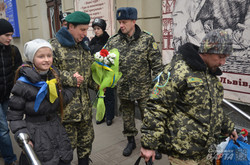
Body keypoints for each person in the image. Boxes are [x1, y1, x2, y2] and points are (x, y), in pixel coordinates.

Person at [140, 29, 238, 164]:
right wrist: (148, 144)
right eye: (221, 57)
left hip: (206, 151)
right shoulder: (179, 70)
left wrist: (228, 127)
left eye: (225, 57)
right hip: (183, 153)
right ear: (207, 51)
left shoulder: (209, 74)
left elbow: (214, 106)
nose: (223, 62)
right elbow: (157, 106)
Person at [104, 7, 163, 157]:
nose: (121, 25)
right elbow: (105, 63)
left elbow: (157, 67)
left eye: (124, 22)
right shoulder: (113, 41)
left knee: (149, 118)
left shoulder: (147, 39)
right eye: (119, 22)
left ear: (133, 21)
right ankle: (131, 141)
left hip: (144, 89)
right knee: (128, 117)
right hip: (123, 88)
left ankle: (152, 144)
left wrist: (156, 90)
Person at [7, 39, 74, 165]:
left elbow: (61, 100)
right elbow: (15, 115)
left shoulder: (53, 77)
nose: (46, 59)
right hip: (35, 133)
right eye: (41, 56)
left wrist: (74, 86)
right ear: (32, 59)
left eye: (49, 55)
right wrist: (23, 137)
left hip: (56, 129)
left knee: (62, 158)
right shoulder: (23, 84)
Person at [50, 11, 99, 165]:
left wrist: (99, 84)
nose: (85, 34)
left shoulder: (84, 46)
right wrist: (70, 78)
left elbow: (87, 76)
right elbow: (48, 73)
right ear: (70, 26)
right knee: (65, 151)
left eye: (87, 30)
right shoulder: (54, 46)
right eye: (82, 30)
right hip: (65, 113)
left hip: (85, 111)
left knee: (86, 146)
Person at [0, 18, 22, 165]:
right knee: (3, 129)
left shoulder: (14, 51)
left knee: (10, 126)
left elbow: (19, 70)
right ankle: (10, 159)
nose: (10, 38)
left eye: (11, 35)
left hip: (7, 96)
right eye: (7, 35)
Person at [89, 18, 114, 126]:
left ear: (103, 29)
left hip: (107, 73)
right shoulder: (93, 41)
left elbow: (113, 57)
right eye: (94, 29)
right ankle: (101, 116)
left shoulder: (109, 41)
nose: (96, 31)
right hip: (97, 74)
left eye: (98, 28)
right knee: (100, 95)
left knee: (108, 95)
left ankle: (109, 116)